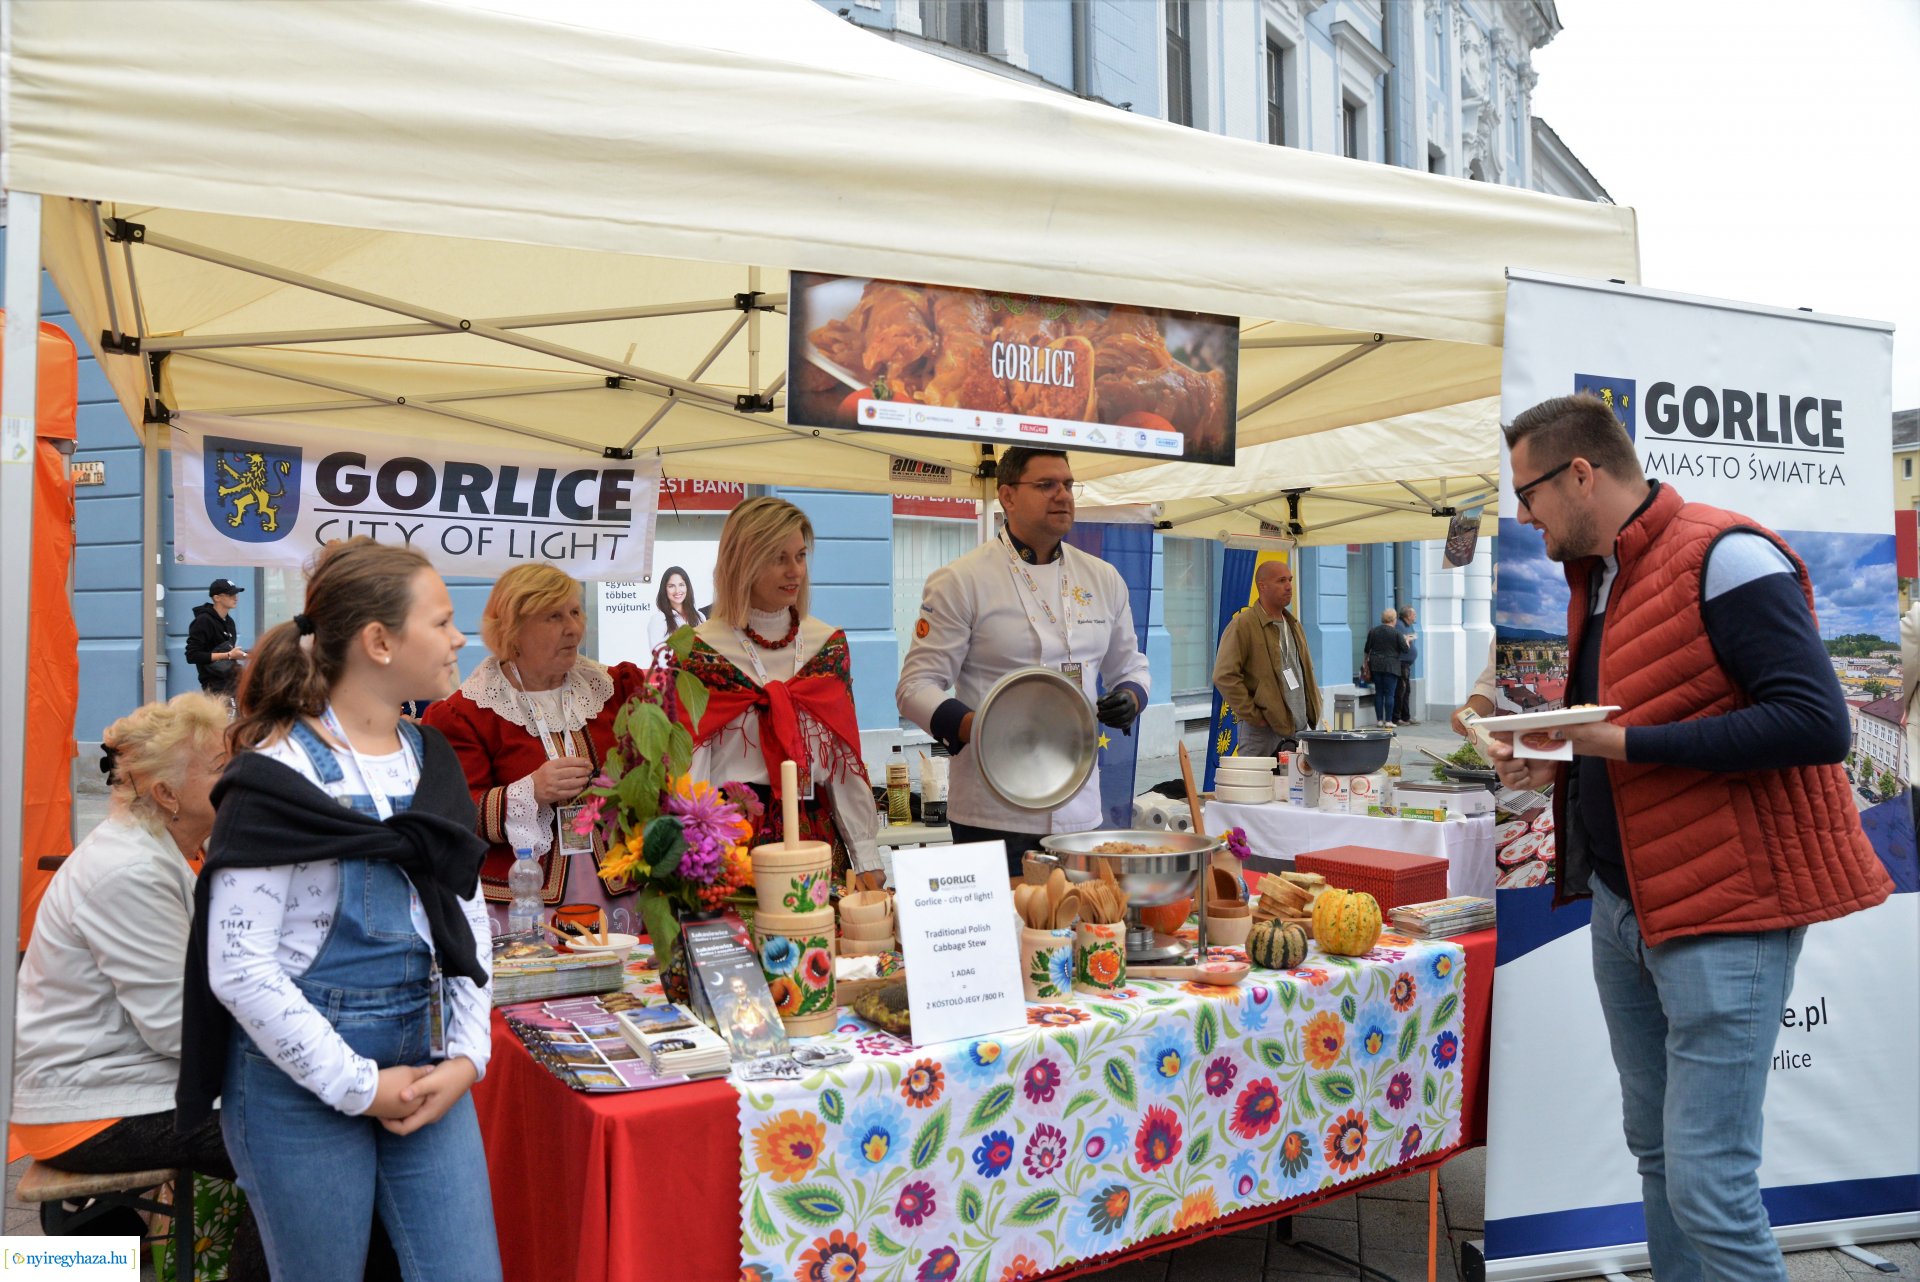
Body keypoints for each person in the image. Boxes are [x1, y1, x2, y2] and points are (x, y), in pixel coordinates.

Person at [1487, 393, 1892, 1282]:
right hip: (1625, 906)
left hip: (1725, 915)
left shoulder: (1728, 556)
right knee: (1661, 1160)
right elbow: (1641, 718)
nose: (1523, 516)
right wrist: (1553, 759)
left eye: (1528, 493)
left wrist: (1613, 744)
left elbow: (1817, 725)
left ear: (1582, 474)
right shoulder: (1600, 576)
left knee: (1710, 1187)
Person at [179, 538, 500, 1282]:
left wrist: (468, 1057)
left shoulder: (433, 758)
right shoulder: (277, 774)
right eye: (444, 621)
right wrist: (356, 1084)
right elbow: (240, 968)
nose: (460, 638)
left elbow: (465, 918)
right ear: (380, 642)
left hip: (426, 1062)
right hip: (297, 1084)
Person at [9, 694, 265, 1277]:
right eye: (222, 769)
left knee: (295, 1120)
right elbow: (179, 1030)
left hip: (115, 1080)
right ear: (167, 794)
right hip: (88, 1105)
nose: (240, 781)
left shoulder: (161, 852)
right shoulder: (132, 870)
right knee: (288, 1139)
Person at [898, 447, 1150, 876]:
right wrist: (980, 727)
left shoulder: (1103, 578)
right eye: (1046, 485)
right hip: (992, 812)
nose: (1063, 496)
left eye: (1068, 485)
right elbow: (915, 687)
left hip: (1079, 808)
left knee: (1080, 933)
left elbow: (1131, 667)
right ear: (1008, 497)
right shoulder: (963, 580)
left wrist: (1130, 698)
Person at [426, 562, 653, 933]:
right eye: (553, 616)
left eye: (575, 612)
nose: (573, 629)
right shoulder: (467, 713)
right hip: (521, 904)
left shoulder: (614, 689)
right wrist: (529, 793)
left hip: (618, 888)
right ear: (512, 631)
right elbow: (453, 815)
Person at [678, 498, 880, 883]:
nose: (795, 571)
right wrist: (694, 859)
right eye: (778, 558)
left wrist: (867, 857)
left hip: (816, 836)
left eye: (800, 556)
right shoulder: (698, 650)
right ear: (744, 561)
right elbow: (691, 767)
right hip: (732, 840)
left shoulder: (827, 645)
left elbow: (842, 758)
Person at [1211, 559, 1320, 755]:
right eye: (1281, 581)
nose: (1288, 586)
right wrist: (1254, 716)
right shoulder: (1243, 624)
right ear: (1262, 586)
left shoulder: (1293, 623)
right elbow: (1224, 675)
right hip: (1261, 733)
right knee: (1258, 785)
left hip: (1298, 730)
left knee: (1295, 786)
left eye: (1290, 580)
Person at [186, 577, 249, 713]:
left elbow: (230, 652)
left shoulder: (229, 622)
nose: (236, 597)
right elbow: (192, 655)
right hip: (215, 685)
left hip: (232, 681)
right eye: (231, 594)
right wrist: (228, 655)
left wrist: (242, 655)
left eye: (236, 594)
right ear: (217, 598)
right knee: (224, 724)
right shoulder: (203, 621)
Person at [644, 565, 706, 652]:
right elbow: (660, 658)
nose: (677, 590)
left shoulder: (700, 616)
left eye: (681, 585)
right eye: (671, 586)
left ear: (687, 587)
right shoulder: (659, 620)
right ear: (664, 589)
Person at [1361, 609, 1406, 729]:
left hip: (1376, 665)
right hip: (1391, 666)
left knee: (1379, 693)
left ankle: (1379, 720)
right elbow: (1405, 649)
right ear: (1393, 619)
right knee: (1390, 694)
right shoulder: (1396, 633)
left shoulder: (1374, 631)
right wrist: (1407, 641)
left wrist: (1366, 663)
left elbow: (1367, 649)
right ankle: (1389, 721)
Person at [1393, 605, 1419, 724]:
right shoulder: (1399, 625)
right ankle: (1397, 717)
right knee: (1401, 690)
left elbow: (1412, 636)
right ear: (1408, 616)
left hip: (1407, 664)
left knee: (1406, 690)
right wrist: (1409, 638)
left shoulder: (1408, 625)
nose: (1415, 616)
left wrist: (1410, 637)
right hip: (1401, 663)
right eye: (1414, 614)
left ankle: (1406, 716)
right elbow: (1402, 639)